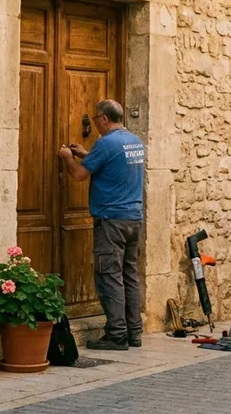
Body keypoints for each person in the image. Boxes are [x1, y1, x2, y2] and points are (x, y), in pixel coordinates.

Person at [59, 100, 147, 350]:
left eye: (96, 118)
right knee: (129, 275)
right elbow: (113, 164)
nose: (95, 123)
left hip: (111, 221)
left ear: (105, 119)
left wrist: (67, 158)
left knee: (109, 276)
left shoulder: (106, 143)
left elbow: (78, 175)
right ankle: (134, 332)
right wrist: (88, 155)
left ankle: (116, 334)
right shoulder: (134, 142)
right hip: (133, 219)